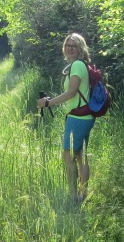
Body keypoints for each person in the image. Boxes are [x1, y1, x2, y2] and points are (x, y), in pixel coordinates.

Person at [36, 33, 96, 205]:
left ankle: (73, 197)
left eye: (74, 45)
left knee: (68, 156)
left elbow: (71, 93)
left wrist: (48, 103)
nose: (70, 48)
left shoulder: (77, 65)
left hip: (78, 117)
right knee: (79, 155)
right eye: (67, 45)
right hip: (84, 116)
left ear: (80, 48)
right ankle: (82, 195)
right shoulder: (79, 65)